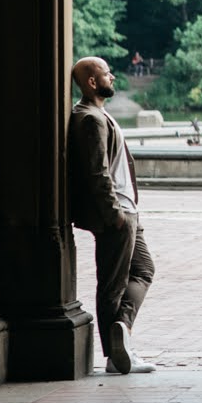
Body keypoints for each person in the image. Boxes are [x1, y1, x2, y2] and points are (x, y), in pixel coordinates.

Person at [68, 56, 156, 375]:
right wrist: (114, 215)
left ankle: (122, 329)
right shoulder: (89, 117)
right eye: (107, 74)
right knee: (112, 286)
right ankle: (115, 355)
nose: (113, 77)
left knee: (144, 269)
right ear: (92, 81)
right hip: (118, 215)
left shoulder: (97, 114)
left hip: (127, 210)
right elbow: (97, 173)